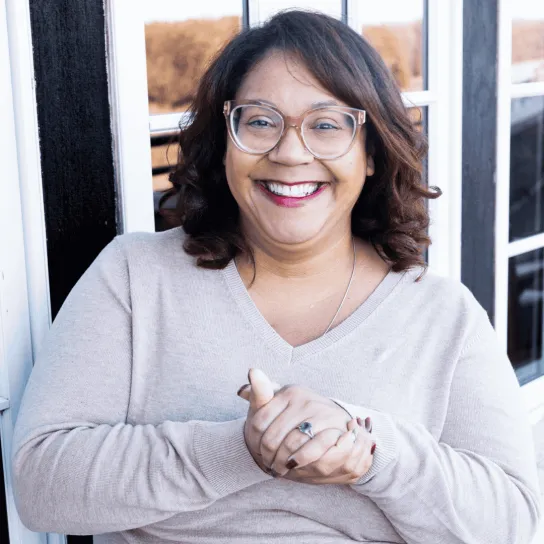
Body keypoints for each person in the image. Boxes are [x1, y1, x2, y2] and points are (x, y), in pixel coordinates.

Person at [11, 9, 542, 544]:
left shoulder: (442, 315)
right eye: (260, 121)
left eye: (327, 125)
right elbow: (41, 485)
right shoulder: (134, 277)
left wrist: (371, 453)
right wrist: (243, 449)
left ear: (372, 152)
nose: (290, 153)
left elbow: (514, 525)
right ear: (225, 143)